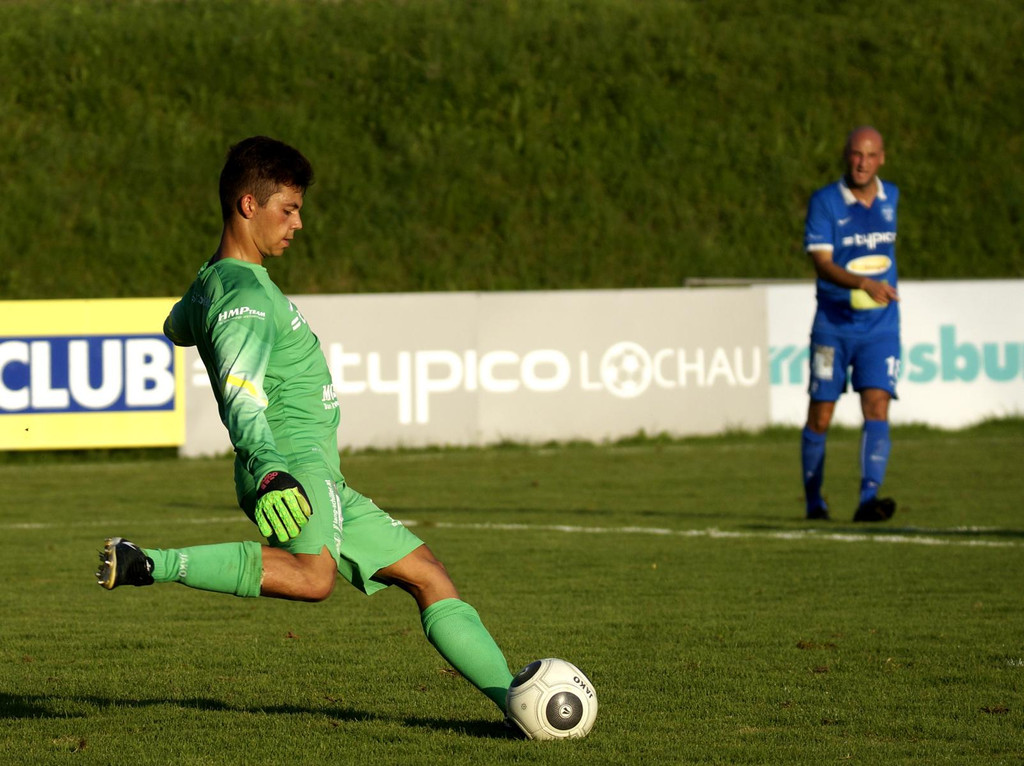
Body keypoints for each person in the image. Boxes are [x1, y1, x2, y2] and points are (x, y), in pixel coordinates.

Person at [96, 136, 515, 715]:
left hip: (321, 473)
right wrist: (269, 471)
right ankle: (151, 563)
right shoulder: (245, 297)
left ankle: (517, 704)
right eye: (288, 209)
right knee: (314, 578)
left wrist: (202, 294)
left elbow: (176, 326)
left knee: (428, 574)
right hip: (289, 464)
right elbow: (242, 397)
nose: (298, 223)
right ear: (249, 205)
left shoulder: (222, 283)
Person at [801, 126, 900, 523]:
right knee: (821, 413)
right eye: (856, 154)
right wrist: (862, 283)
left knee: (877, 404)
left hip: (880, 326)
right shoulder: (825, 202)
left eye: (870, 155)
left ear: (882, 158)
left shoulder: (892, 197)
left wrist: (876, 289)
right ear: (846, 155)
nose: (862, 162)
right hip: (832, 325)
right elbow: (822, 264)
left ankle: (867, 500)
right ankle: (814, 503)